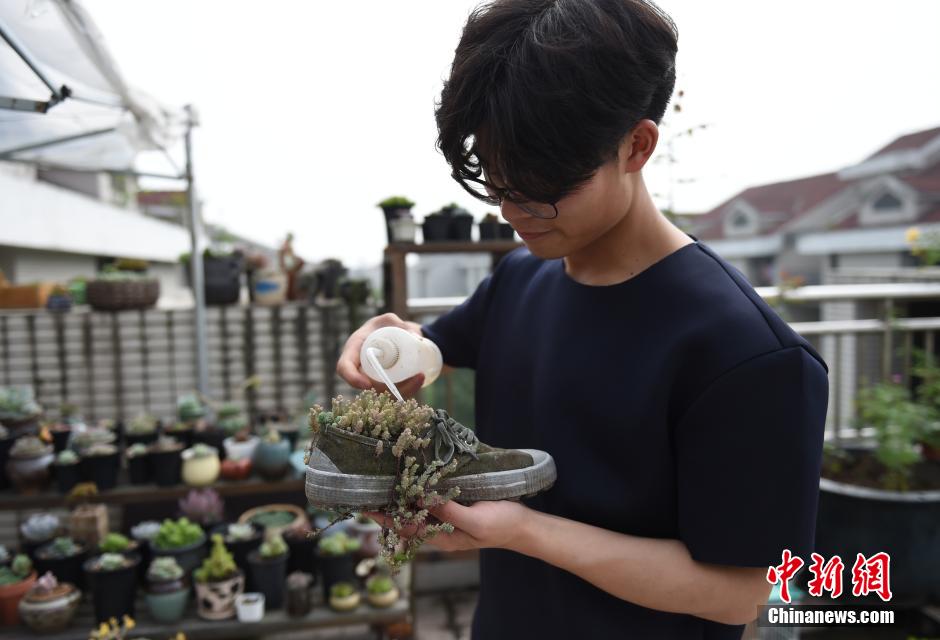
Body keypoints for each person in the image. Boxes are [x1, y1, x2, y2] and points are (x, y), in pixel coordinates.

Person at [337, 1, 829, 638]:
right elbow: (429, 349)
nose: (514, 210)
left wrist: (522, 532)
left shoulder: (747, 353)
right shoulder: (521, 278)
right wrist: (386, 342)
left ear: (637, 145)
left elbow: (738, 594)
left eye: (541, 185)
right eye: (496, 176)